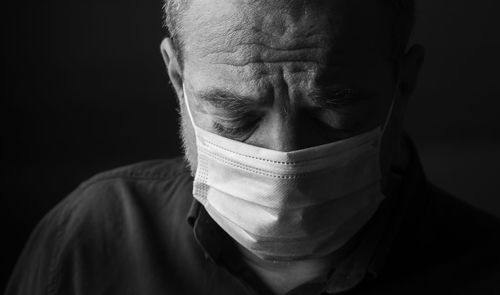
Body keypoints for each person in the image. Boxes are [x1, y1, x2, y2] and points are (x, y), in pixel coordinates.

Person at [5, 0, 500, 294]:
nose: (283, 158)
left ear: (404, 83)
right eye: (235, 116)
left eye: (332, 110)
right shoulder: (83, 247)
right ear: (177, 79)